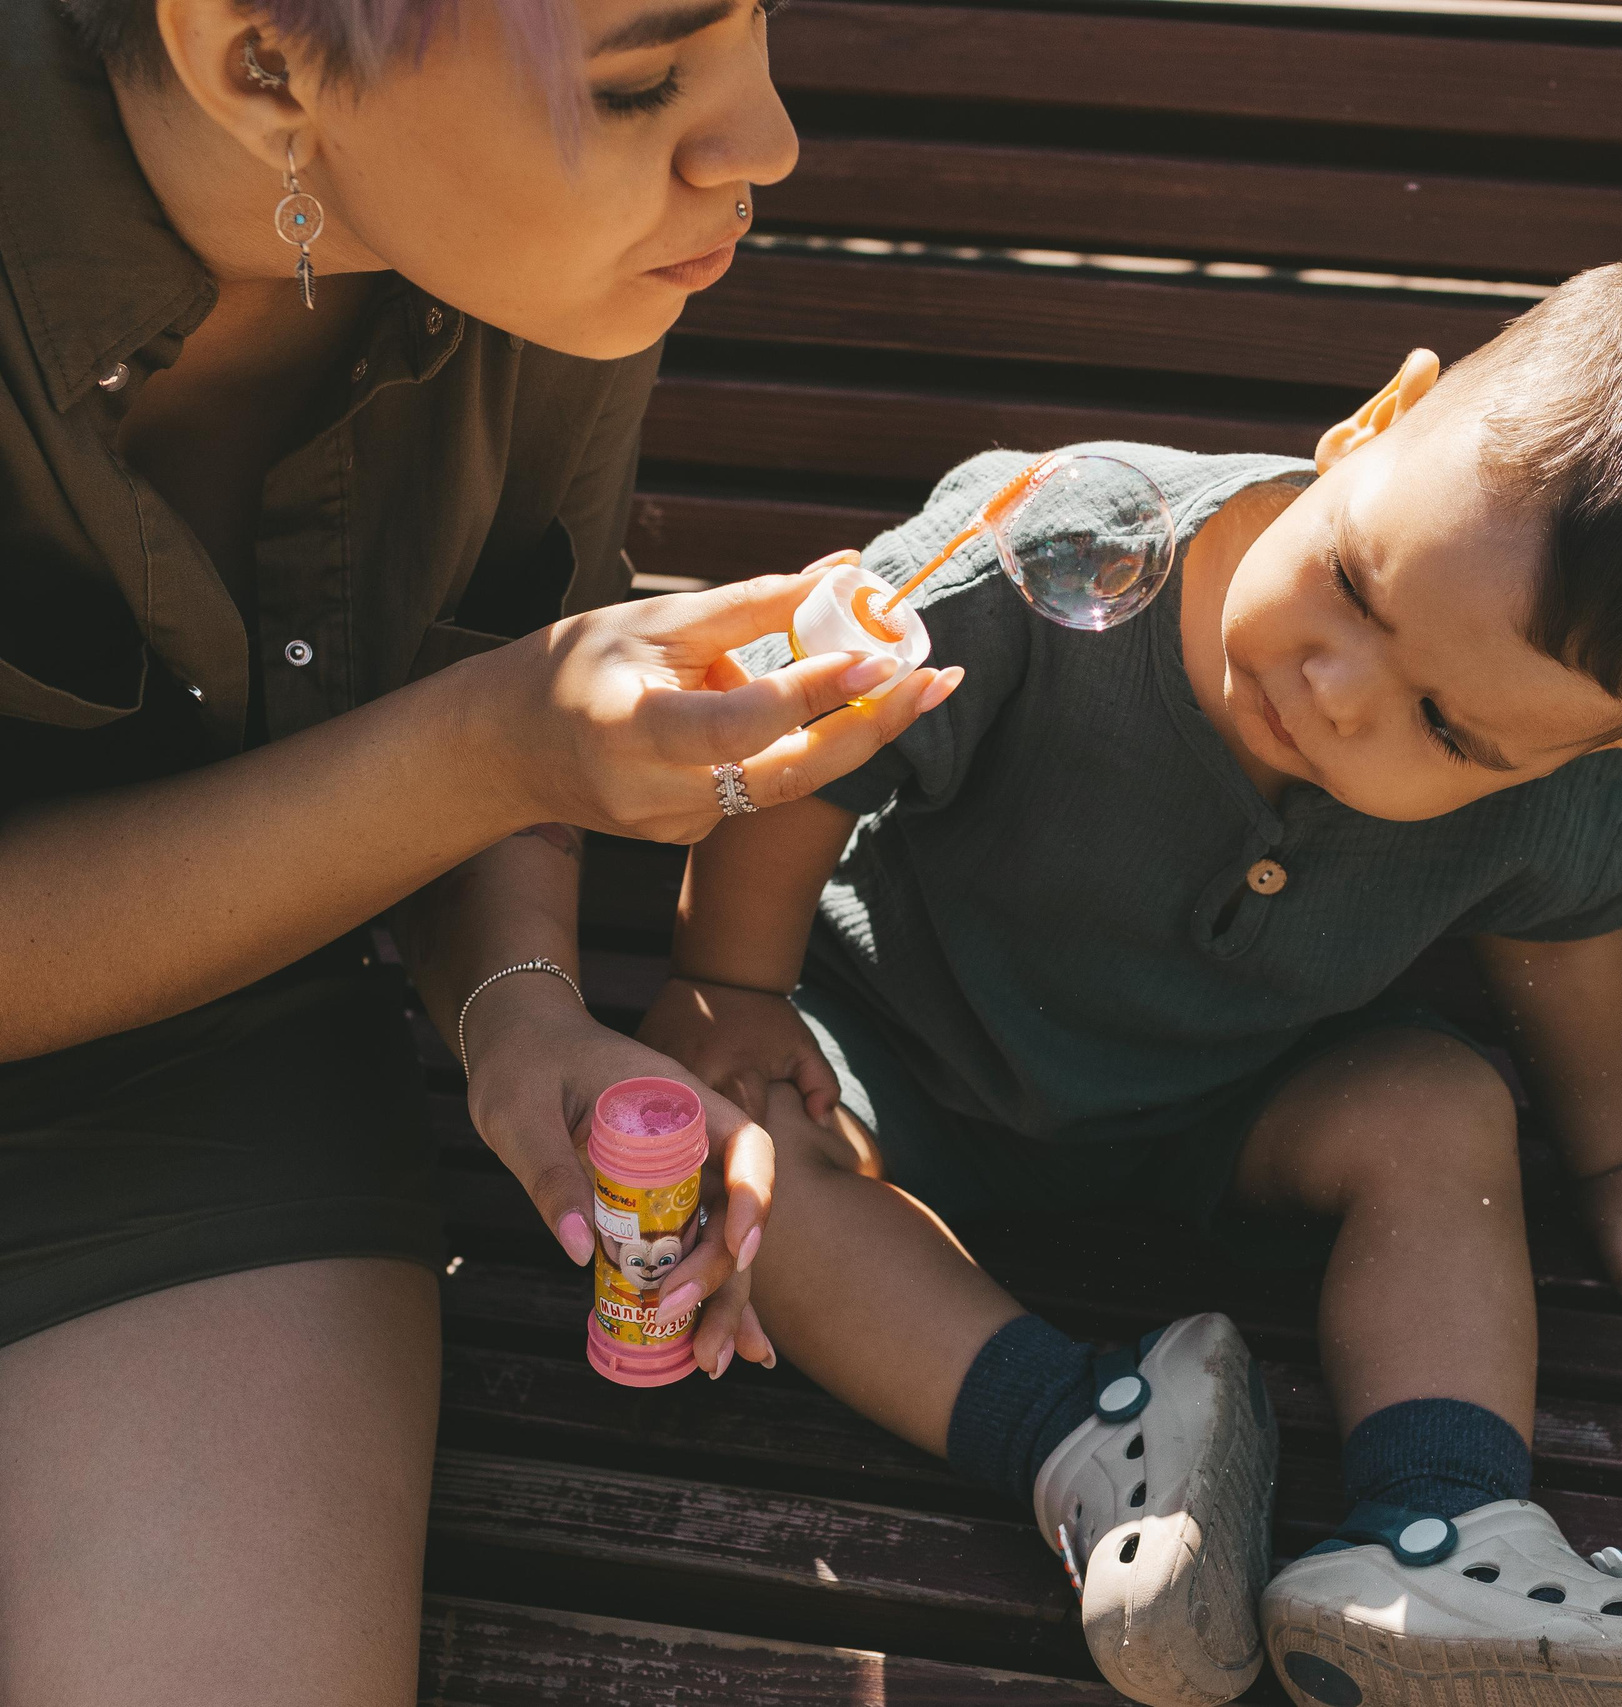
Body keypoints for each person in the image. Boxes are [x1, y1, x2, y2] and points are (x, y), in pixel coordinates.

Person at [642, 261, 1622, 1707]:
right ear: (1374, 421)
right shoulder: (1056, 545)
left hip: (1227, 1106)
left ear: (1597, 745)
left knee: (1441, 1104)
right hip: (885, 1063)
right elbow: (805, 763)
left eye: (1445, 728)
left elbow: (1565, 945)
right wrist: (730, 984)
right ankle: (1084, 1437)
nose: (1340, 687)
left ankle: (1441, 1529)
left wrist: (1620, 1152)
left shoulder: (1562, 792)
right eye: (1354, 582)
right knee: (722, 1168)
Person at [0, 2, 959, 1702]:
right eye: (644, 81)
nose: (767, 148)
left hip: (197, 1074)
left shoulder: (558, 264)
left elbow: (491, 646)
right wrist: (487, 744)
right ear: (262, 63)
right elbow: (479, 725)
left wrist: (520, 1013)